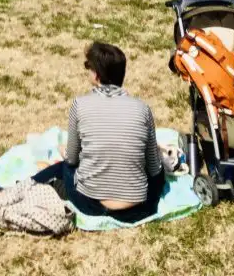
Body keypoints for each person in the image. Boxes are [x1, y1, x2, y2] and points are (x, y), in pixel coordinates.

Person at [29, 42, 164, 223]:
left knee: (66, 166)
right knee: (158, 171)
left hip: (90, 204)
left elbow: (72, 159)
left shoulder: (80, 104)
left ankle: (27, 186)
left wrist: (67, 153)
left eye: (88, 66)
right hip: (138, 208)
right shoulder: (143, 109)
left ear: (96, 74)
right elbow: (154, 169)